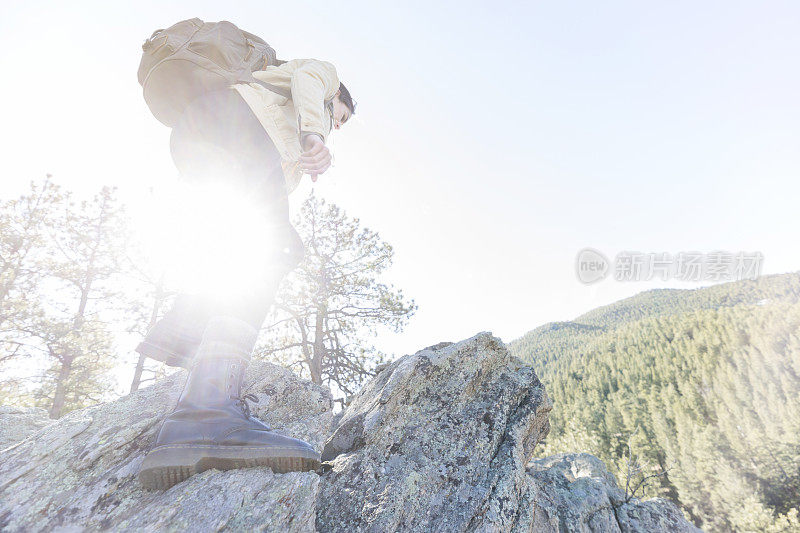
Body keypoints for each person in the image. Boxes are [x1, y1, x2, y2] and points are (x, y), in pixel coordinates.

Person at [137, 58, 355, 490]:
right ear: (336, 98)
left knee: (252, 244)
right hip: (236, 126)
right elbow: (308, 79)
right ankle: (206, 410)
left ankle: (190, 355)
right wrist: (314, 129)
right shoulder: (322, 77)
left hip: (203, 133)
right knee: (273, 245)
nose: (336, 126)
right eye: (340, 116)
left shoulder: (267, 114)